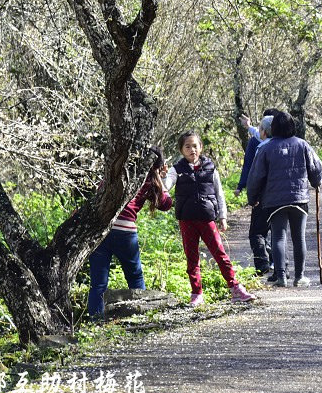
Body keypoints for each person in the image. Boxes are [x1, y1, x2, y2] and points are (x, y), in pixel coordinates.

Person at [165, 131, 255, 306]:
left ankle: (235, 287)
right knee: (192, 258)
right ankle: (196, 293)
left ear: (201, 147)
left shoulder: (210, 167)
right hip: (187, 219)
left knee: (219, 253)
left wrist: (223, 216)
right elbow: (166, 186)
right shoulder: (177, 169)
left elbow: (219, 192)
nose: (192, 150)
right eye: (187, 146)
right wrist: (160, 178)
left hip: (207, 218)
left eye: (195, 146)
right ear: (181, 150)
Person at [87, 147, 172, 317]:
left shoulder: (117, 174)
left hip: (101, 229)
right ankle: (140, 314)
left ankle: (95, 319)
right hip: (125, 232)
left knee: (98, 283)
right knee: (134, 276)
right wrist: (160, 178)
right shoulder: (149, 181)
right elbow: (166, 204)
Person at [246, 111, 322, 288]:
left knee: (278, 237)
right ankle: (299, 276)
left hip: (274, 201)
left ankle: (281, 277)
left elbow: (255, 176)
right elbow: (316, 166)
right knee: (298, 237)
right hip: (299, 198)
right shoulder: (302, 145)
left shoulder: (266, 148)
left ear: (273, 128)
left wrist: (253, 198)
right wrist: (316, 182)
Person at [237, 110, 279, 278]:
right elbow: (259, 133)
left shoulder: (262, 148)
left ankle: (262, 265)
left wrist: (252, 197)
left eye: (260, 129)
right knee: (278, 233)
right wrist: (249, 127)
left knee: (256, 233)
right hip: (282, 198)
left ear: (264, 131)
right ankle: (281, 267)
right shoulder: (286, 144)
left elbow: (255, 175)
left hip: (263, 198)